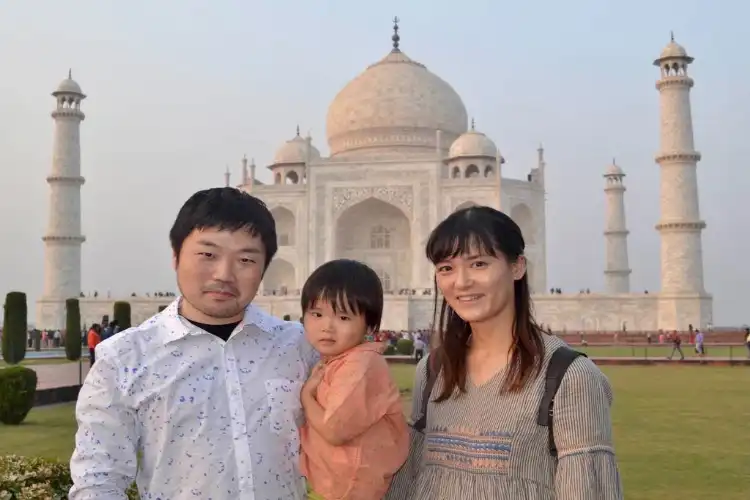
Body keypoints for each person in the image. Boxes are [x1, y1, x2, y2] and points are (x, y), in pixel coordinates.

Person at [69, 187, 318, 499]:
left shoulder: (297, 346)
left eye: (245, 259)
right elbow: (98, 481)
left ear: (264, 268)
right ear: (175, 256)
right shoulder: (125, 360)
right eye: (207, 255)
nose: (224, 274)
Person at [398, 205, 623, 499]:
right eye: (446, 268)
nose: (461, 281)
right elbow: (411, 480)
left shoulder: (568, 378)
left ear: (517, 266)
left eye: (478, 264)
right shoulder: (434, 371)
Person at [299, 259, 409, 500]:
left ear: (369, 326)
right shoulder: (338, 360)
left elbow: (334, 431)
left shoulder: (360, 365)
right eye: (317, 314)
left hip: (348, 491)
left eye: (343, 318)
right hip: (333, 485)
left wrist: (306, 397)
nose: (326, 326)